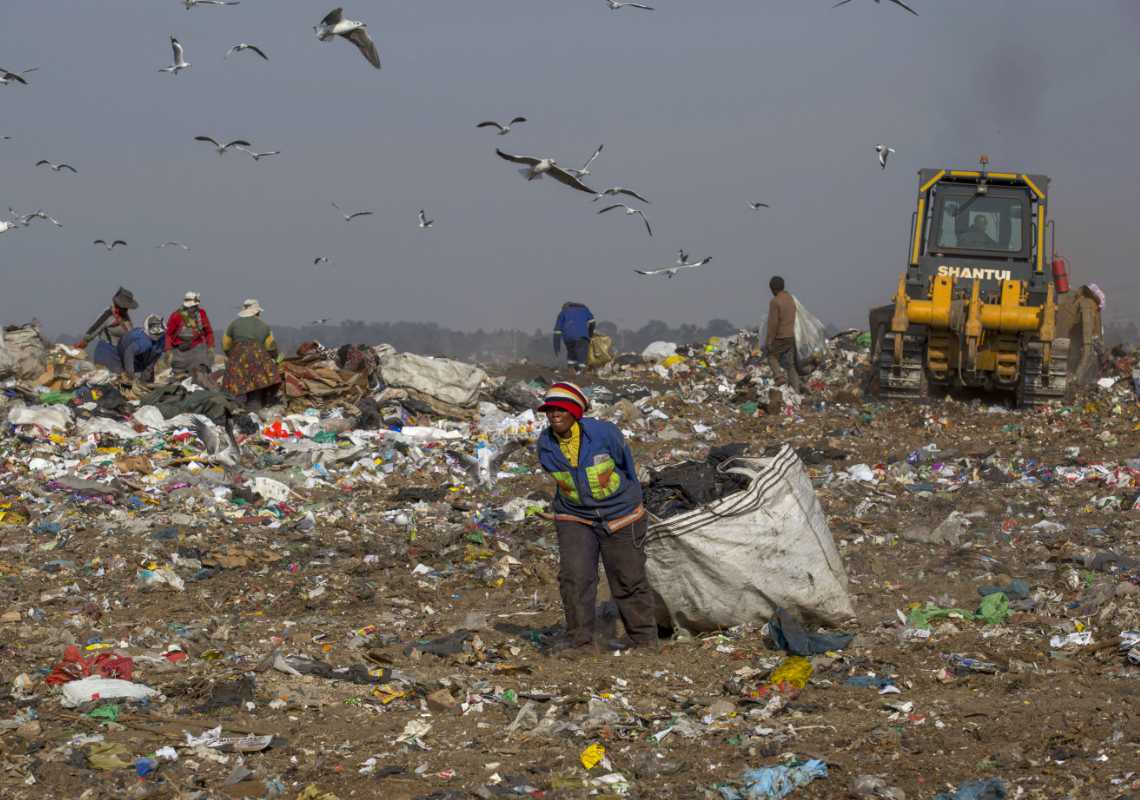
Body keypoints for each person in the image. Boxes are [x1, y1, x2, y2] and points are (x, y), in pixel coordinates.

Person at [536, 382, 657, 655]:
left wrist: (628, 503)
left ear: (576, 412)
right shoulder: (545, 444)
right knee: (575, 578)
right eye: (550, 410)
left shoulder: (604, 434)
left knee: (627, 577)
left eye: (561, 409)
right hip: (574, 515)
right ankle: (581, 642)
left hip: (621, 514)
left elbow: (626, 464)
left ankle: (643, 639)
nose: (554, 414)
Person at [221, 299, 281, 410]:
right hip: (257, 359)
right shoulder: (264, 326)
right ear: (257, 312)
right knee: (256, 388)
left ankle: (235, 411)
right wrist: (275, 358)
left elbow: (225, 345)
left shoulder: (233, 324)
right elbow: (270, 347)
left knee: (237, 387)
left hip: (237, 358)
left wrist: (233, 356)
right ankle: (254, 411)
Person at [77, 287, 138, 370]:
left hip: (120, 354)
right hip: (106, 352)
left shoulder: (125, 317)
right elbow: (94, 328)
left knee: (119, 380)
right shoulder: (108, 314)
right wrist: (84, 342)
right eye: (124, 307)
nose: (126, 309)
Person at [166, 291, 215, 377]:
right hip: (179, 352)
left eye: (196, 306)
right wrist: (168, 351)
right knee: (178, 377)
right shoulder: (176, 316)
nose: (194, 308)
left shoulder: (201, 314)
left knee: (201, 374)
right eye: (192, 306)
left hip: (198, 349)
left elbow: (208, 332)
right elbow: (168, 334)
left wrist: (211, 347)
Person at [766, 276, 801, 392]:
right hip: (792, 336)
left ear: (772, 288)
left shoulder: (775, 302)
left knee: (771, 356)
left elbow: (773, 323)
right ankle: (796, 390)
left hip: (781, 336)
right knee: (790, 364)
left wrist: (770, 340)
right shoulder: (791, 298)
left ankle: (779, 377)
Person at [116, 315, 167, 386]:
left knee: (148, 379)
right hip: (124, 353)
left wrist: (149, 369)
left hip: (145, 356)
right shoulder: (143, 340)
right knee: (128, 380)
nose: (157, 335)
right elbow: (129, 353)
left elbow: (156, 355)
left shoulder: (162, 340)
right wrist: (131, 374)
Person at [553, 302, 595, 371]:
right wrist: (590, 334)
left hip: (568, 338)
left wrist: (556, 347)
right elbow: (592, 322)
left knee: (571, 354)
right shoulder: (585, 310)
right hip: (582, 337)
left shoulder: (563, 312)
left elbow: (557, 331)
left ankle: (571, 370)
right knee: (582, 355)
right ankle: (581, 371)